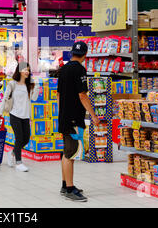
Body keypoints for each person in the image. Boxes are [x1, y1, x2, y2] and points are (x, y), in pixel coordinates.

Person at [57, 41, 100, 202]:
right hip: (74, 118)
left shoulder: (64, 69)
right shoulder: (80, 69)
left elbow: (59, 95)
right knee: (71, 153)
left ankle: (65, 184)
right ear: (85, 55)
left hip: (65, 117)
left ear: (71, 53)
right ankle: (69, 189)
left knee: (67, 152)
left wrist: (61, 114)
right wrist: (93, 115)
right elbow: (82, 95)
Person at [0, 62, 39, 172]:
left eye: (28, 70)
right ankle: (19, 162)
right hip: (15, 115)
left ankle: (12, 153)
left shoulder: (29, 85)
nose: (27, 72)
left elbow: (34, 99)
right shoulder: (12, 84)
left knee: (26, 139)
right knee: (19, 138)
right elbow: (5, 98)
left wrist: (37, 87)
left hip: (25, 116)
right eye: (25, 69)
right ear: (19, 71)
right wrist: (0, 112)